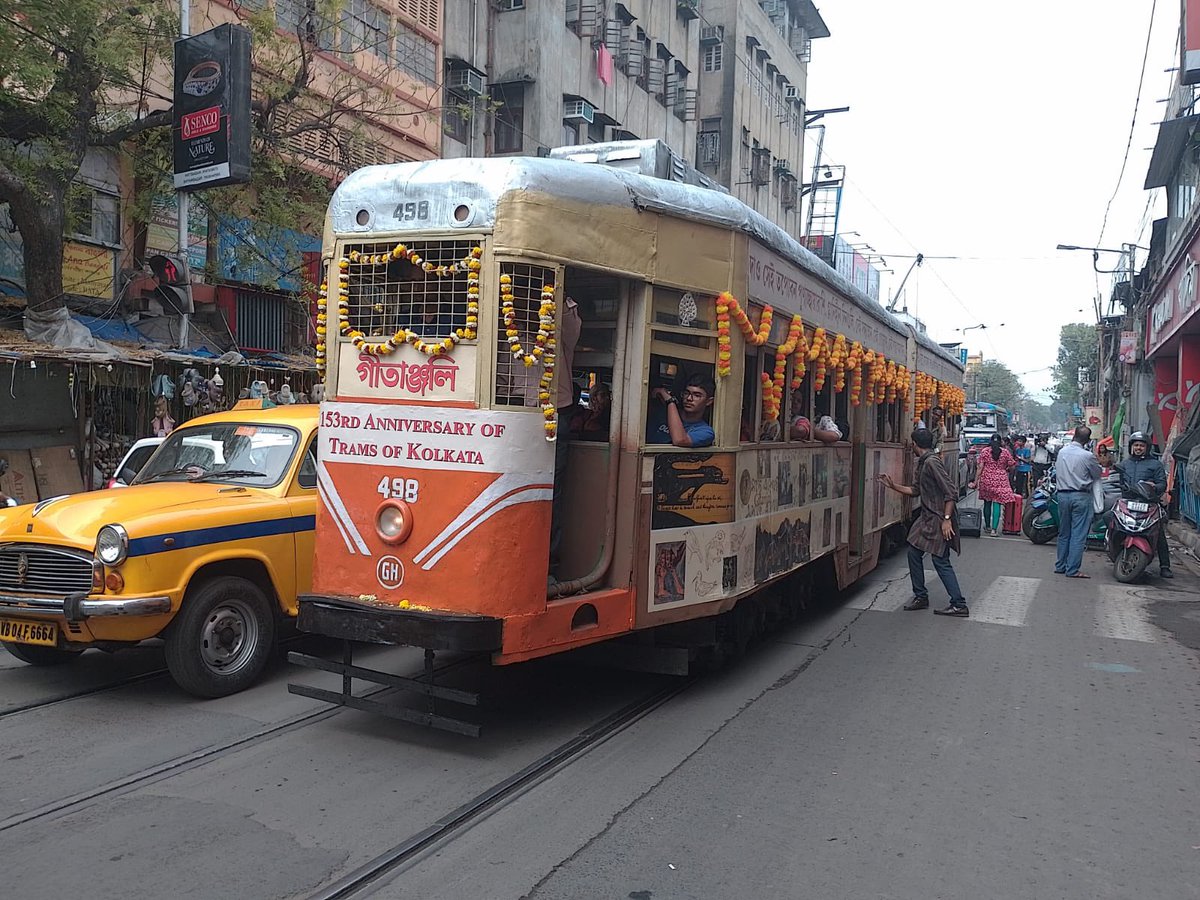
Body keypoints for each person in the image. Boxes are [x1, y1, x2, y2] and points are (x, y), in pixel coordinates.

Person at [878, 428, 969, 617]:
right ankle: (921, 596)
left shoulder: (932, 463)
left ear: (914, 444)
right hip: (928, 517)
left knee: (940, 560)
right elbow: (916, 490)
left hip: (938, 517)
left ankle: (959, 603)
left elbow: (951, 492)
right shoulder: (925, 461)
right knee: (913, 552)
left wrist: (946, 520)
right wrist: (893, 486)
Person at [1114, 431, 1172, 578]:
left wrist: (1154, 487)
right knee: (1110, 518)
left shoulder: (1155, 464)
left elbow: (1162, 484)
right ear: (1131, 447)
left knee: (1158, 533)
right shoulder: (1125, 464)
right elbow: (1120, 480)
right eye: (1136, 445)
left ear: (1147, 447)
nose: (1138, 448)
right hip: (1128, 501)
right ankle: (1114, 551)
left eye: (1141, 445)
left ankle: (1165, 566)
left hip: (1148, 502)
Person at [1054, 425, 1102, 578]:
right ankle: (1072, 569)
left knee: (1064, 533)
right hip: (1080, 496)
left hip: (1062, 495)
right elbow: (1097, 473)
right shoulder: (1087, 456)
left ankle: (1060, 565)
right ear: (1087, 440)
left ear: (1074, 436)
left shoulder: (1062, 452)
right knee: (1078, 534)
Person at [649, 374, 716, 448]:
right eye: (686, 393)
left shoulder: (705, 432)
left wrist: (670, 401)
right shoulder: (663, 413)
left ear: (709, 401)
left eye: (697, 395)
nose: (689, 398)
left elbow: (679, 440)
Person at [969, 433, 1017, 535]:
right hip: (1001, 480)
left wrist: (975, 481)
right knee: (997, 503)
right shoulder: (1005, 452)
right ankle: (994, 530)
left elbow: (980, 467)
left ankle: (987, 526)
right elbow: (1012, 466)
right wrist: (1006, 469)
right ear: (1001, 442)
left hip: (986, 480)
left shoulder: (985, 451)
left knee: (987, 502)